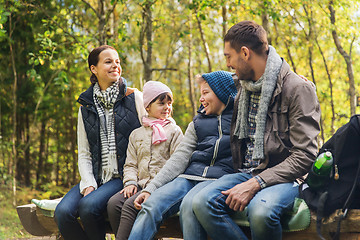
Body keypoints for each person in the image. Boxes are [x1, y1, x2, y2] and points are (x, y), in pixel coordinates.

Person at [191, 20, 321, 240]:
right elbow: (213, 91)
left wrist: (257, 183)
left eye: (228, 56)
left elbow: (305, 155)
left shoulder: (297, 89)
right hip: (246, 172)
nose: (228, 64)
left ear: (245, 53)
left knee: (260, 212)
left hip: (287, 178)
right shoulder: (245, 86)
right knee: (201, 203)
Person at [127, 71, 238, 240]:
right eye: (200, 93)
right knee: (150, 205)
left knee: (189, 207)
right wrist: (151, 188)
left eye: (205, 93)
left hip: (219, 178)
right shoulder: (197, 122)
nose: (201, 99)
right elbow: (179, 158)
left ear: (221, 93)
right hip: (189, 176)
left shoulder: (241, 120)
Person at [54, 45, 146, 240]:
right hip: (97, 176)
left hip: (123, 176)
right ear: (93, 69)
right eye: (108, 62)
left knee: (88, 207)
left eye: (118, 62)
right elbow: (85, 153)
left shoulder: (134, 97)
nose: (115, 66)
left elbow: (152, 135)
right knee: (62, 213)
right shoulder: (85, 107)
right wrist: (88, 184)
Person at [106, 81, 183, 240]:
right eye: (161, 103)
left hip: (162, 186)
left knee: (129, 206)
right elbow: (130, 164)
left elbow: (178, 163)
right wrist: (130, 183)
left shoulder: (174, 131)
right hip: (140, 184)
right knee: (113, 204)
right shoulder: (136, 134)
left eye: (169, 103)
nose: (167, 107)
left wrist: (156, 186)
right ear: (147, 106)